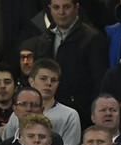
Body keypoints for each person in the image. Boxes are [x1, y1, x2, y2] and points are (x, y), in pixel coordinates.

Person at [32, 0, 108, 128]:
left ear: (76, 8)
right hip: (47, 113)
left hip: (81, 116)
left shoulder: (93, 38)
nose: (61, 12)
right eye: (56, 7)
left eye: (66, 7)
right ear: (50, 9)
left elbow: (100, 82)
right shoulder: (44, 39)